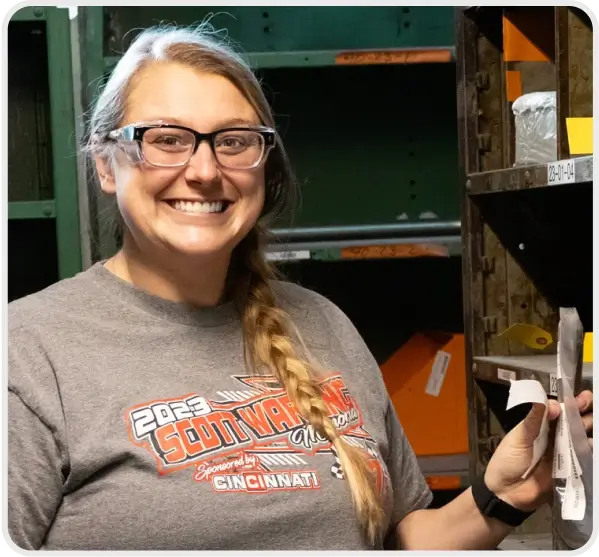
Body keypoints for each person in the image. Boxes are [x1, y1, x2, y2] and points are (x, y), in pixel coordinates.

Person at [8, 23, 592, 551]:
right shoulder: (30, 351)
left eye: (233, 140)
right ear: (108, 165)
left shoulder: (321, 324)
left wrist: (504, 493)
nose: (206, 170)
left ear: (263, 164)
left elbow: (403, 537)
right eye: (166, 139)